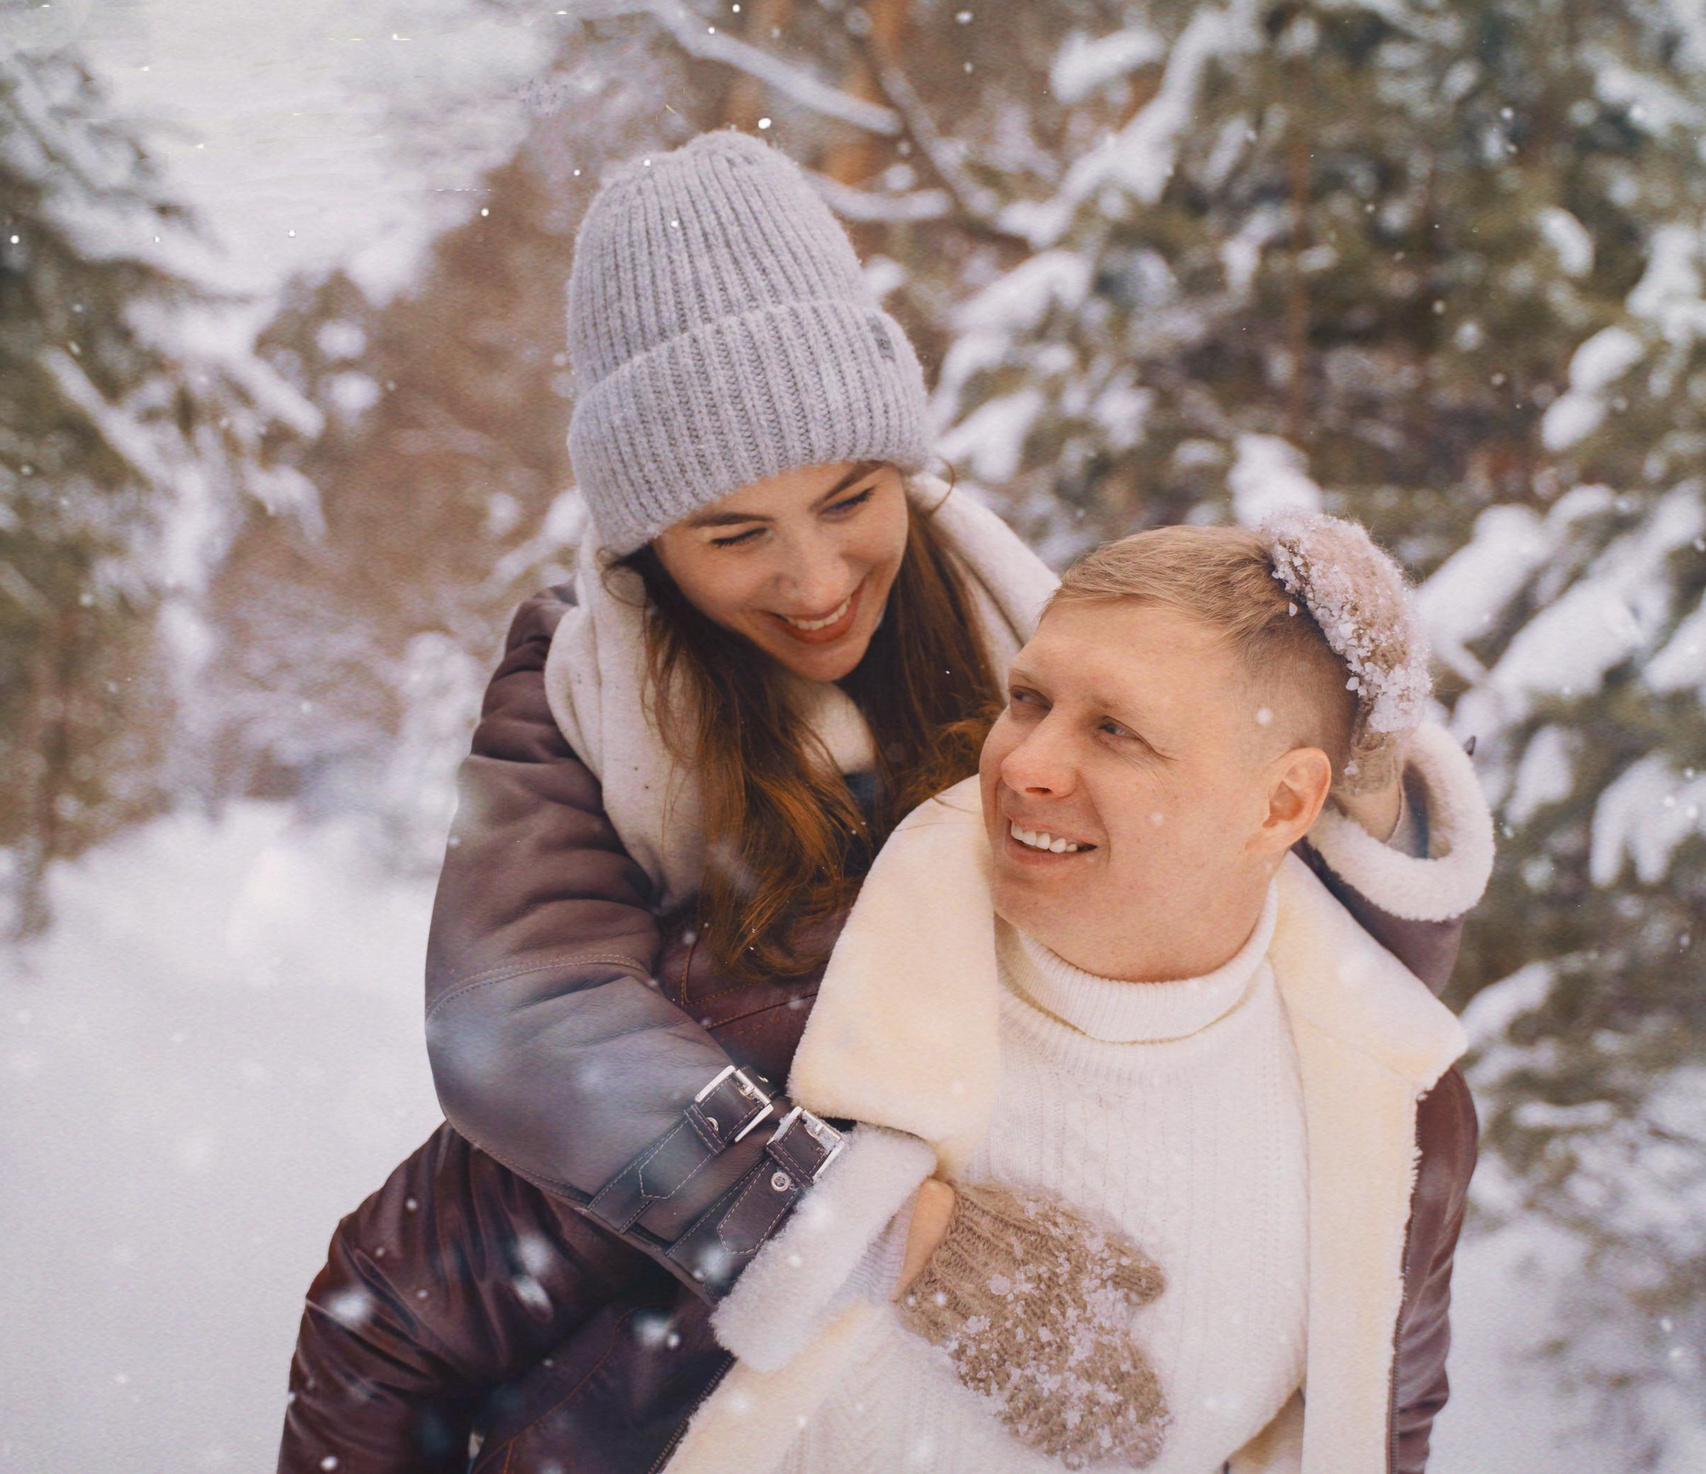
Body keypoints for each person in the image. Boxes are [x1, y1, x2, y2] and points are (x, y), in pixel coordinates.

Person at [277, 134, 1492, 1472]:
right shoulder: (583, 708)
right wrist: (857, 1220)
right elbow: (512, 1020)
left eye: (849, 498)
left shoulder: (1014, 636)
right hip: (681, 1280)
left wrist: (1361, 778)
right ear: (645, 542)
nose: (811, 578)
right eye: (733, 533)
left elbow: (1276, 962)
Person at [654, 514, 1487, 1474]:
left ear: (1281, 805)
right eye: (1029, 699)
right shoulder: (775, 987)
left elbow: (1387, 1428)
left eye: (1116, 731)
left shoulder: (1399, 1116)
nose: (1025, 764)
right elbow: (448, 1317)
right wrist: (882, 1231)